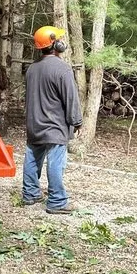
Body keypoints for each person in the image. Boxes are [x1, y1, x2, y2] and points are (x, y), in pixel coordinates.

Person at [22, 26, 82, 214]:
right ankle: (57, 201)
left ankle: (30, 194)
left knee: (32, 158)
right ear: (56, 44)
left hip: (34, 124)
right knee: (56, 162)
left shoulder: (32, 68)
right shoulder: (62, 69)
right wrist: (76, 120)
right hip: (55, 126)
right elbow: (70, 97)